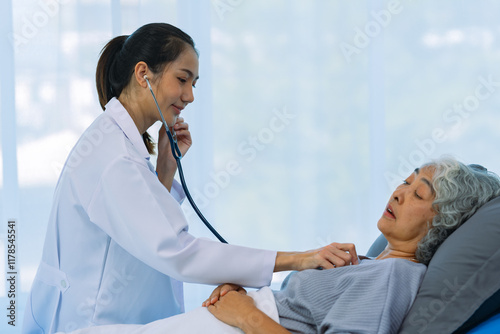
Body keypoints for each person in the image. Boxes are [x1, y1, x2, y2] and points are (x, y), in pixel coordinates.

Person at [22, 23, 357, 334]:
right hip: (89, 319)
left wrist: (165, 169)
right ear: (143, 74)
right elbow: (177, 251)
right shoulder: (114, 156)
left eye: (193, 84)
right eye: (182, 79)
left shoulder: (120, 142)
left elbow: (138, 226)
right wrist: (299, 259)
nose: (190, 95)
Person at [51, 157, 500, 334]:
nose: (400, 191)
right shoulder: (364, 261)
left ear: (442, 223)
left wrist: (246, 314)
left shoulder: (397, 275)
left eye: (419, 194)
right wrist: (241, 294)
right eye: (406, 180)